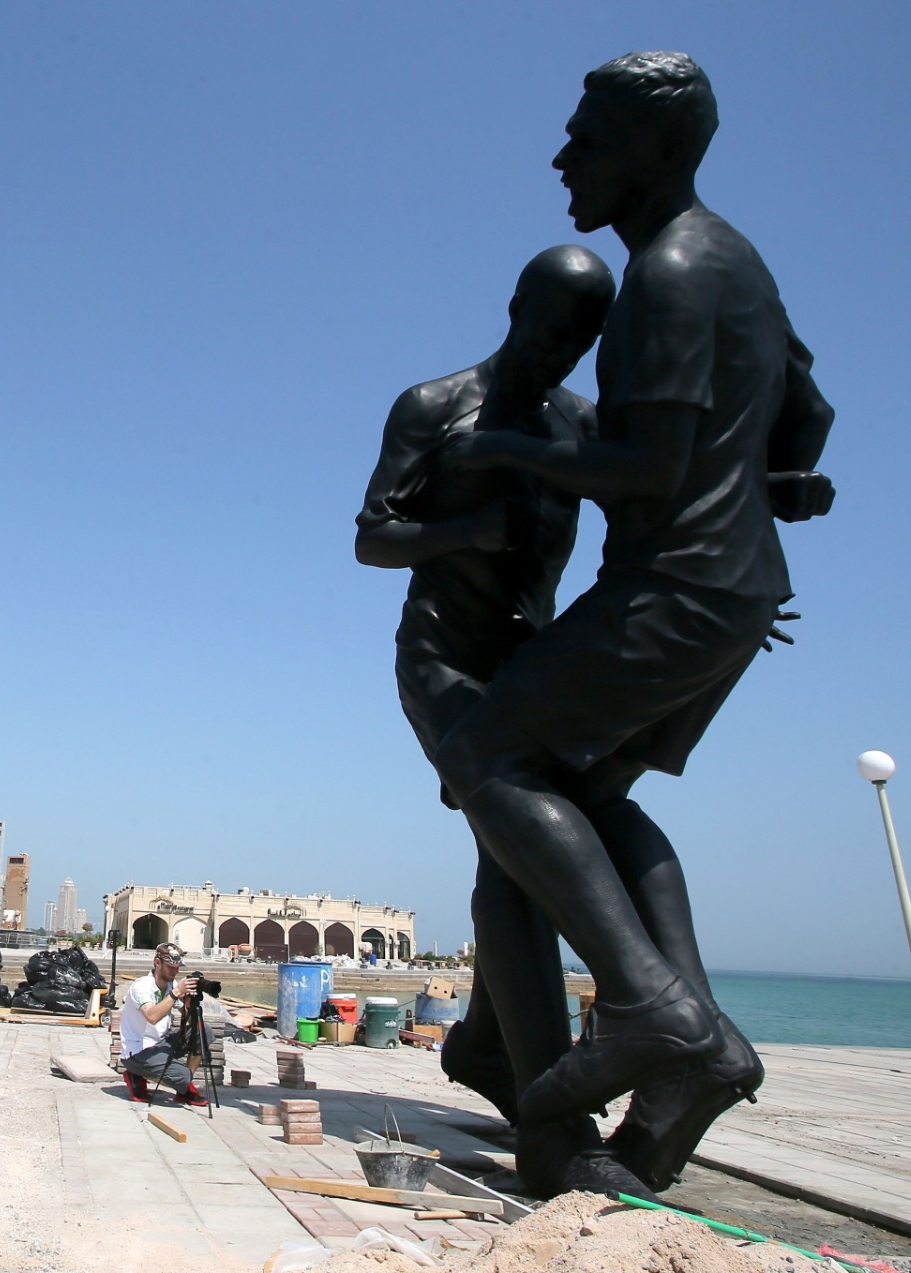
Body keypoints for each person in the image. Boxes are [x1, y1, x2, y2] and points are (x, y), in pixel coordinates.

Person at [435, 51, 835, 1190]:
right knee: (584, 804)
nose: (563, 157)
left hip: (673, 586)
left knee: (489, 759)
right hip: (736, 591)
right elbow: (807, 410)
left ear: (651, 151)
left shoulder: (666, 272)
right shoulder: (740, 264)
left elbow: (651, 467)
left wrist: (509, 448)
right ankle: (686, 1071)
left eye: (585, 137)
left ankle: (651, 1008)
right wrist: (777, 488)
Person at [357, 244, 638, 1195]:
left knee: (512, 856)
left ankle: (487, 1048)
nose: (563, 347)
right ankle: (554, 1109)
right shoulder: (434, 406)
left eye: (583, 334)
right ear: (517, 305)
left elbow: (640, 522)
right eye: (552, 322)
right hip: (441, 663)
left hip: (532, 669)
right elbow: (371, 535)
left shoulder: (580, 425)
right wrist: (467, 532)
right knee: (516, 842)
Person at [117, 942, 209, 1106]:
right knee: (182, 1076)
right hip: (138, 1050)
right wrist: (175, 994)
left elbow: (187, 1017)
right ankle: (137, 1074)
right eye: (170, 967)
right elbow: (152, 1016)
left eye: (177, 968)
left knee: (203, 1031)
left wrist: (189, 1004)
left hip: (160, 1044)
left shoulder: (171, 985)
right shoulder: (142, 986)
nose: (175, 972)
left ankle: (183, 1089)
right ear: (157, 963)